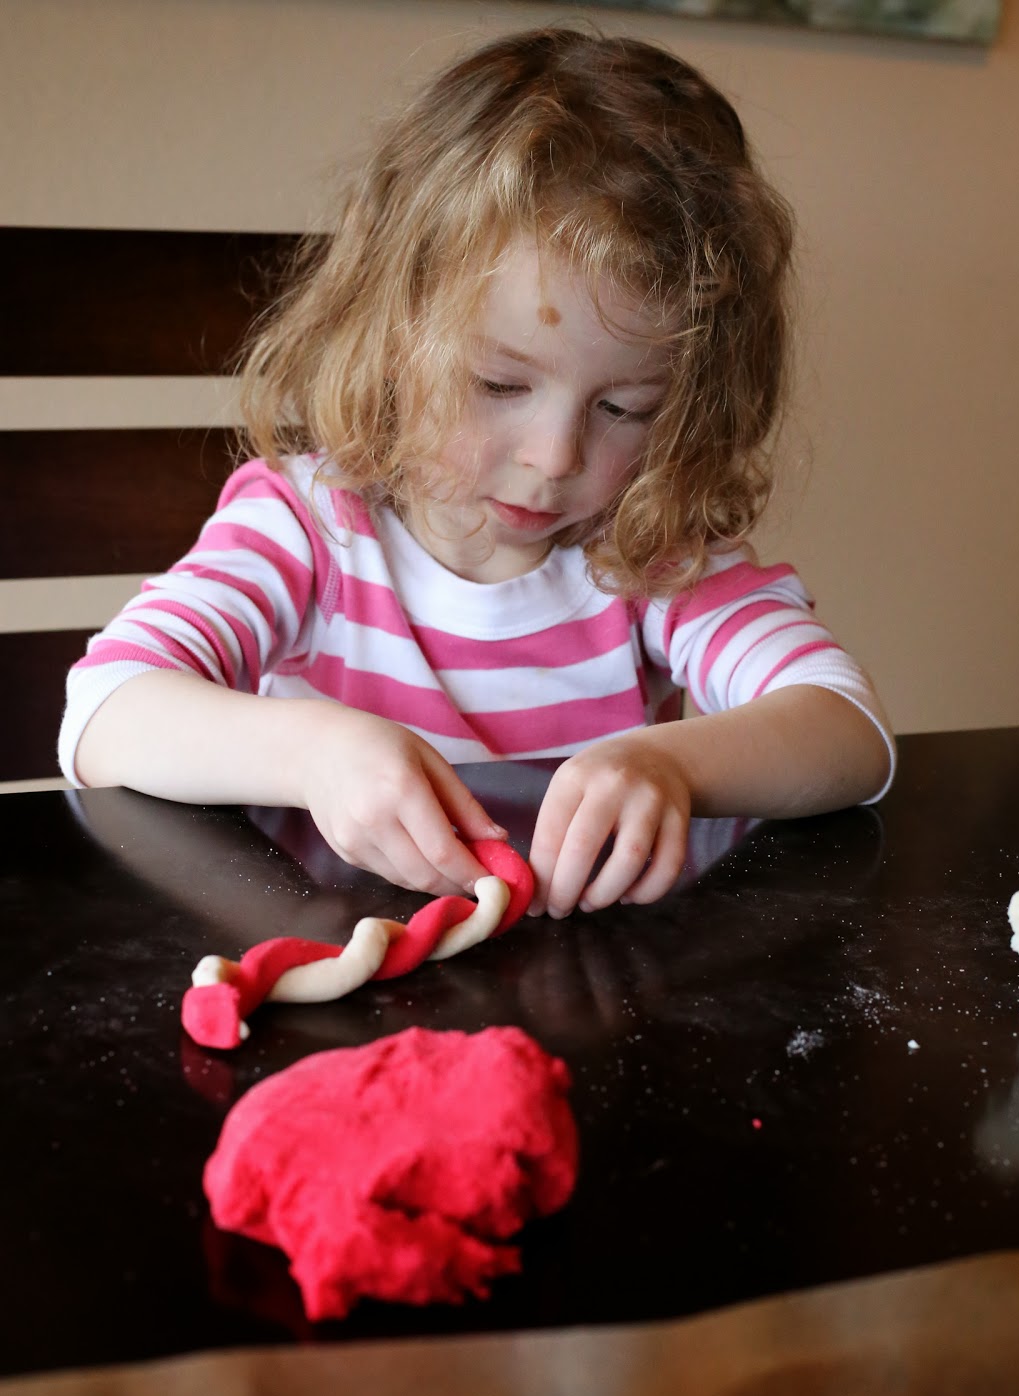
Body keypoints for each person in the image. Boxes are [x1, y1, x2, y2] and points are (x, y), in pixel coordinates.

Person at [60, 26, 894, 920]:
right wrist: (315, 754)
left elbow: (849, 731)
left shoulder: (649, 549)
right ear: (390, 335)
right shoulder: (309, 526)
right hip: (340, 959)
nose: (556, 456)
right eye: (499, 383)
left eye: (625, 409)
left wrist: (670, 763)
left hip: (582, 992)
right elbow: (105, 709)